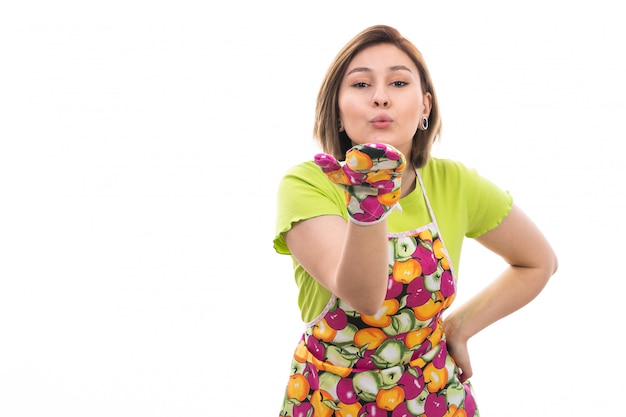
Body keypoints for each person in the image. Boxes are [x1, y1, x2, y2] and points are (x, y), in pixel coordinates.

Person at [274, 24, 557, 417]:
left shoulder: (453, 182)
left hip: (436, 397)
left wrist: (460, 327)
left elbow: (538, 262)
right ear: (336, 109)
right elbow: (364, 297)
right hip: (331, 401)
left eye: (398, 82)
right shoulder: (306, 184)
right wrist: (370, 202)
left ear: (425, 106)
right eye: (360, 85)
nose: (380, 98)